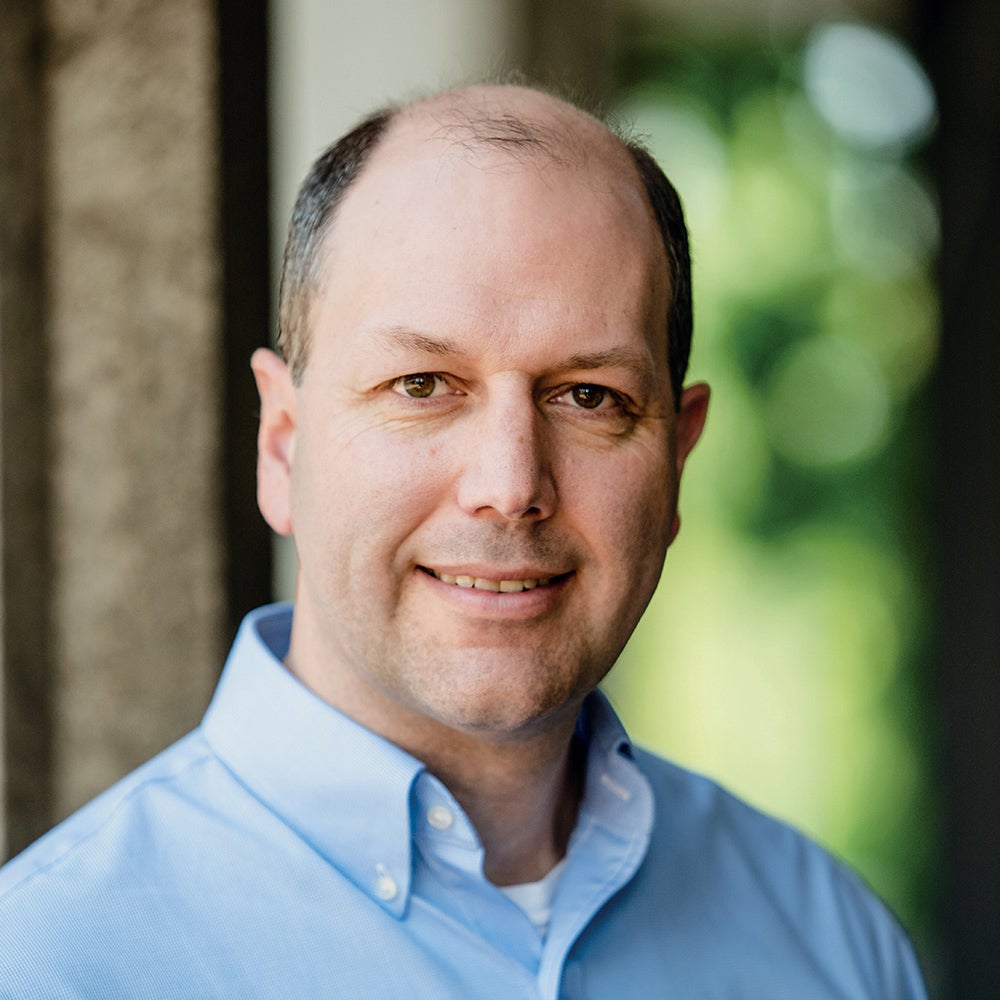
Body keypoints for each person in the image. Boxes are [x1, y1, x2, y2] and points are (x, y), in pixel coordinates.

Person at [0, 83, 926, 998]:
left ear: (677, 460)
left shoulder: (830, 944)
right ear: (282, 445)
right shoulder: (51, 963)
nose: (511, 486)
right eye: (422, 385)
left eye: (589, 396)